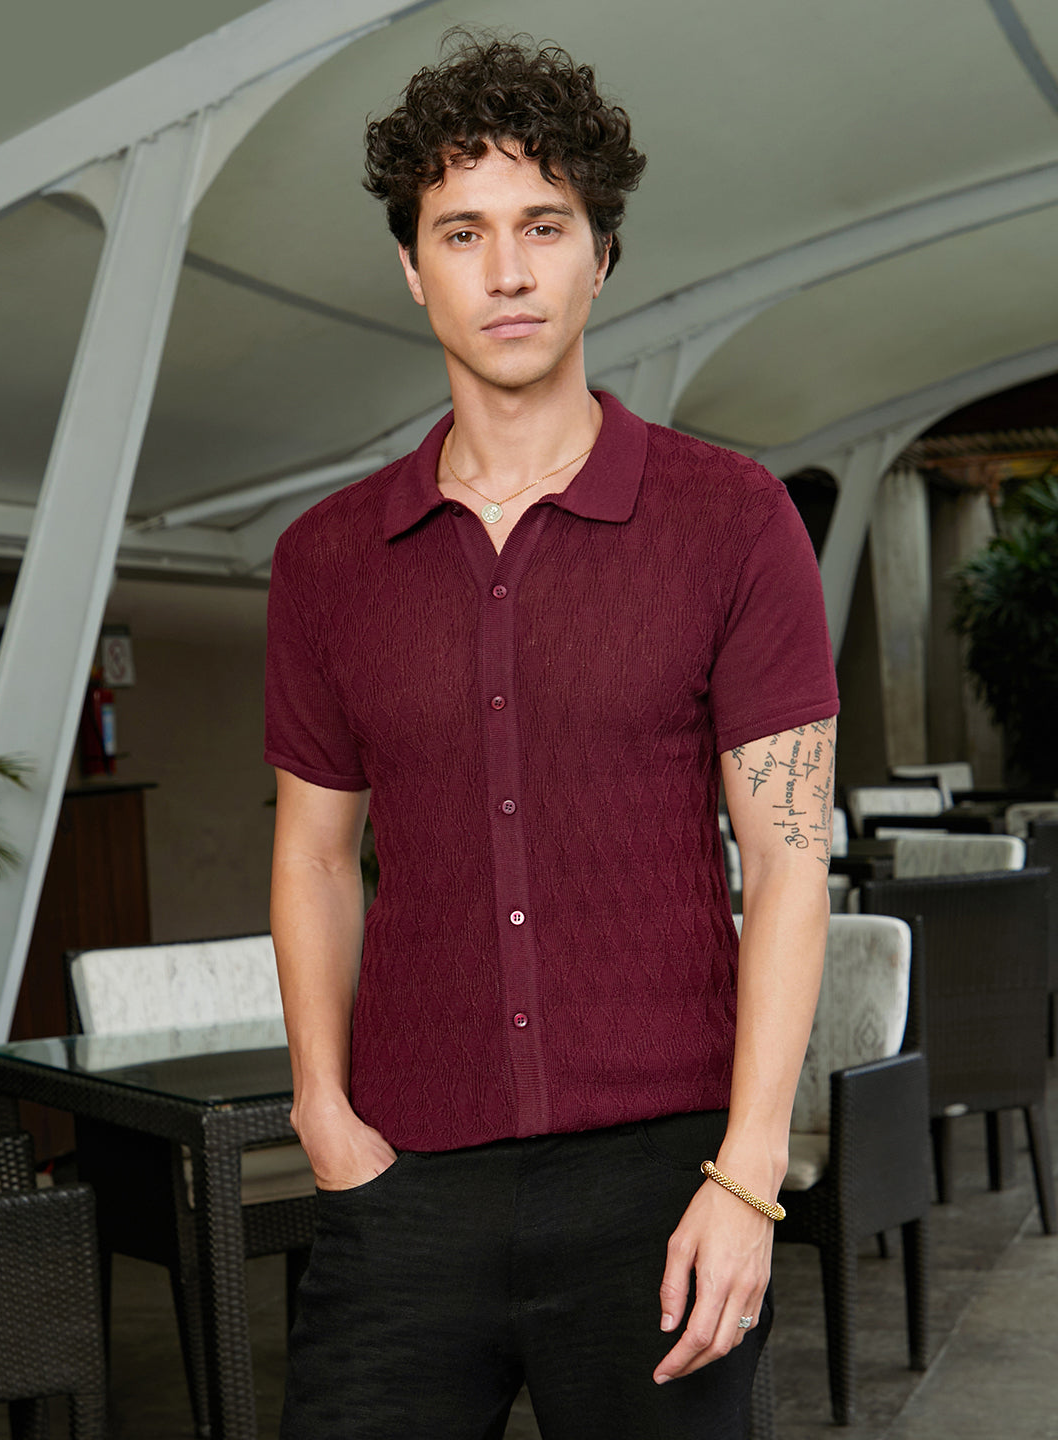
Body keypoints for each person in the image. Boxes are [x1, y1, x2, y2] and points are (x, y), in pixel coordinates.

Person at [265, 31, 838, 1440]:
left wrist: (748, 1173)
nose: (506, 272)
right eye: (461, 232)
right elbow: (316, 856)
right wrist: (324, 1113)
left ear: (602, 254)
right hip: (401, 1180)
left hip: (667, 1187)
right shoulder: (326, 560)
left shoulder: (732, 520)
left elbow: (788, 860)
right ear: (413, 267)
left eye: (544, 225)